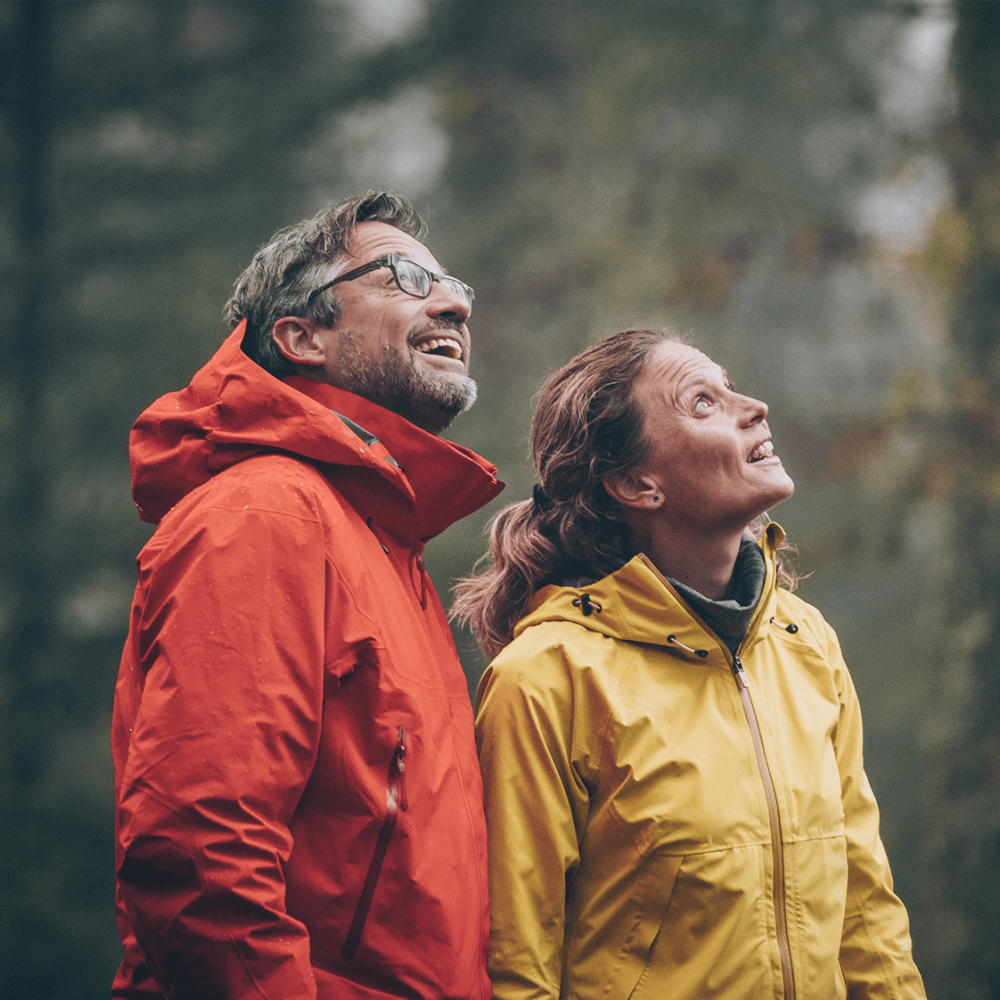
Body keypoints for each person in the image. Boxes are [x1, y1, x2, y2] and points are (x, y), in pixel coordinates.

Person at [454, 328, 927, 1000]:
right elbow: (517, 964)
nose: (754, 406)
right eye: (703, 403)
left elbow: (866, 906)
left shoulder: (806, 642)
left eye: (731, 387)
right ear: (636, 483)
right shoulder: (546, 677)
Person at [111, 191, 502, 1000]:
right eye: (401, 276)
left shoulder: (386, 547)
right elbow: (199, 853)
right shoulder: (264, 516)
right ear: (301, 337)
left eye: (453, 282)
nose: (456, 301)